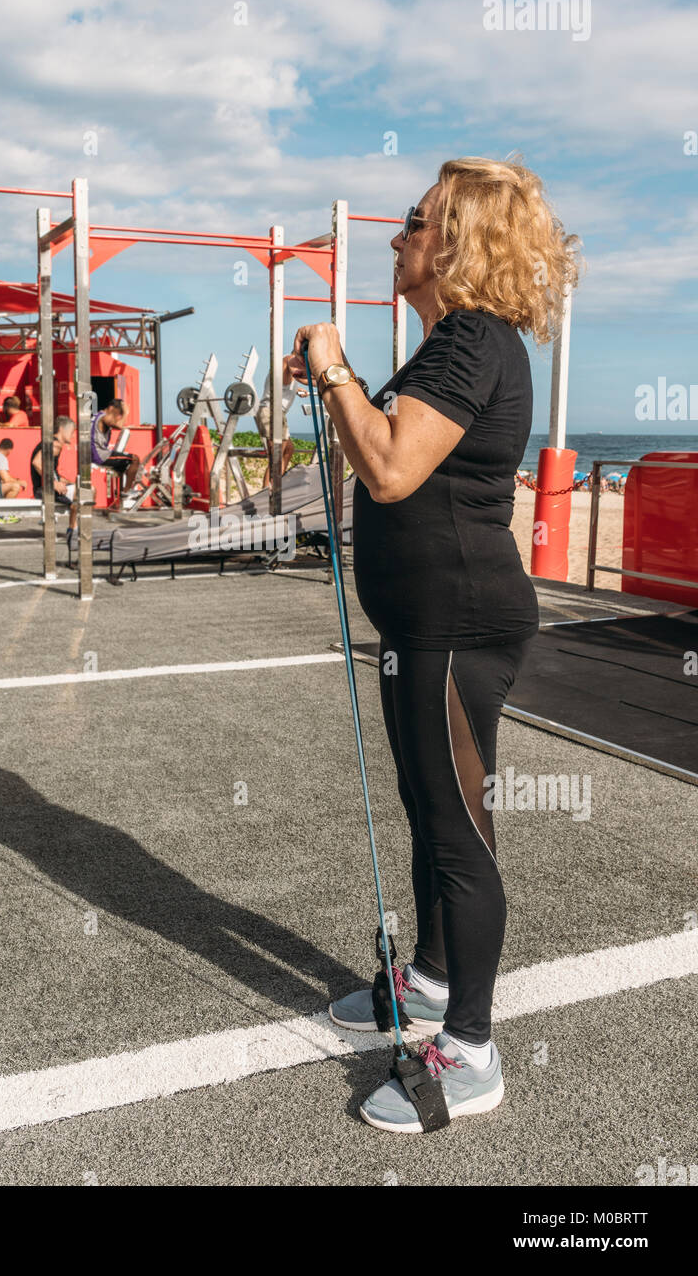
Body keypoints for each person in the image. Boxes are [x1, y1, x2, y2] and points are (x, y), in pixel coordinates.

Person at [286, 156, 579, 1132]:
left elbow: (393, 468)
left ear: (453, 239)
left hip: (454, 622)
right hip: (432, 620)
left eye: (414, 220)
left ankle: (473, 1049)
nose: (395, 236)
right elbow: (387, 446)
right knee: (433, 806)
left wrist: (331, 363)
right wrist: (344, 385)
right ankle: (428, 982)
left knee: (457, 830)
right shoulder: (455, 346)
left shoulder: (467, 340)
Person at [30, 415, 78, 552]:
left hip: (48, 487)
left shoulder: (54, 444)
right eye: (72, 431)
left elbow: (54, 474)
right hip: (44, 489)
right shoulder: (54, 444)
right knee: (85, 491)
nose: (73, 436)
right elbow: (37, 463)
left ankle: (72, 528)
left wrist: (67, 482)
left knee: (84, 489)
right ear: (62, 429)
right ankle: (72, 530)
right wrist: (53, 483)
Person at [255, 362, 304, 487]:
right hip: (272, 411)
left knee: (288, 449)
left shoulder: (288, 372)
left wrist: (296, 390)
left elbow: (282, 384)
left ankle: (277, 484)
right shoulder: (288, 362)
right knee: (276, 456)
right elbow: (293, 371)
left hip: (277, 413)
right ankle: (267, 493)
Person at [90, 400, 141, 502]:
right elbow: (119, 426)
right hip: (100, 455)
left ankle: (123, 491)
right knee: (135, 459)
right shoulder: (104, 416)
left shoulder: (97, 415)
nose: (117, 417)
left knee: (125, 464)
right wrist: (126, 413)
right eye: (117, 414)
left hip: (96, 453)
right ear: (111, 408)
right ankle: (126, 492)